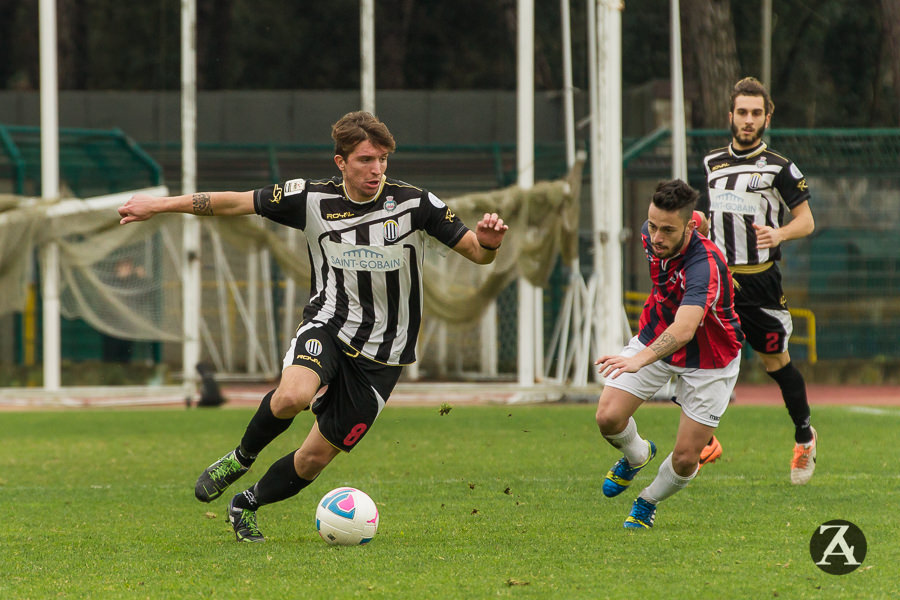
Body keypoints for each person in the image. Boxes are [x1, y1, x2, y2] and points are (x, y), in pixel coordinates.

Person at [117, 111, 508, 542]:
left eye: (381, 159)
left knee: (312, 460)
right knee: (292, 395)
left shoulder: (417, 204)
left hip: (384, 356)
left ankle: (245, 503)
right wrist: (158, 205)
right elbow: (234, 201)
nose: (376, 169)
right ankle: (240, 458)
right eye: (364, 160)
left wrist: (489, 244)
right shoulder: (310, 198)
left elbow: (477, 251)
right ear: (340, 163)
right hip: (329, 326)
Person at [594, 179, 743, 529]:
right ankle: (637, 455)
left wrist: (637, 359)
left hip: (709, 359)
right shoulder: (655, 234)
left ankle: (647, 501)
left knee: (686, 457)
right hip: (656, 333)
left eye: (667, 229)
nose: (656, 237)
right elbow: (698, 221)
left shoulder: (704, 266)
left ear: (687, 227)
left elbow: (684, 330)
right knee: (608, 418)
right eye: (653, 225)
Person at [700, 76, 817, 485]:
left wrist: (780, 233)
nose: (748, 121)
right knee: (692, 353)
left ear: (767, 116)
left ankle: (804, 435)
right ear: (730, 115)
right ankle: (705, 440)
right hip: (718, 283)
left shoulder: (780, 167)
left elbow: (806, 221)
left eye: (756, 113)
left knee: (775, 362)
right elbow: (709, 217)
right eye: (741, 113)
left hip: (761, 283)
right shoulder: (712, 164)